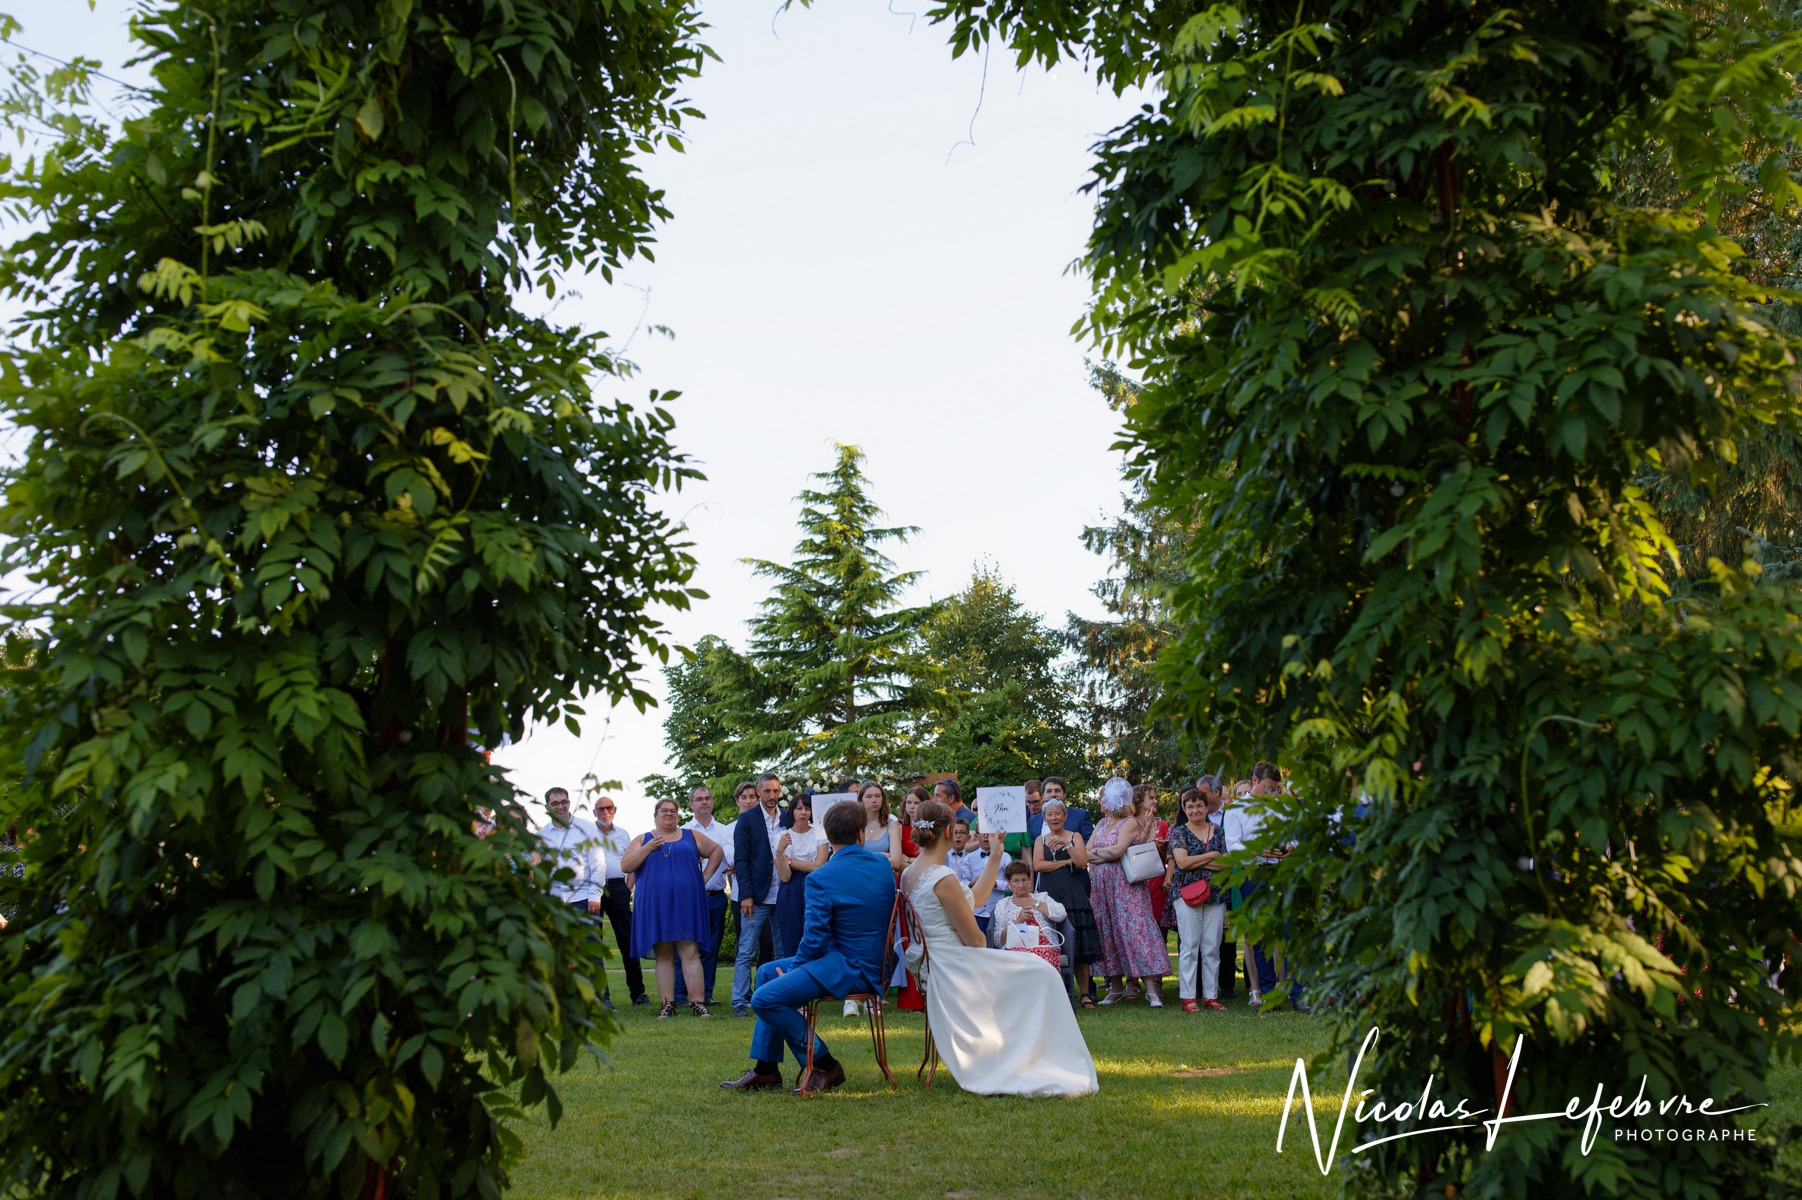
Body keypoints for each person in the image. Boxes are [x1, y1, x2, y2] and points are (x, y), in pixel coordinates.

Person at [902, 801, 1098, 1096]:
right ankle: (1035, 1054)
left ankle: (1028, 1049)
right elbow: (977, 941)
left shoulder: (911, 873)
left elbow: (975, 899)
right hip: (955, 968)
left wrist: (995, 855)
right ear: (946, 833)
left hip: (936, 964)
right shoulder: (943, 878)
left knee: (1036, 970)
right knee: (1043, 972)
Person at [719, 802, 897, 1095]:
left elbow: (814, 939)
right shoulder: (881, 864)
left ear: (828, 835)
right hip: (878, 964)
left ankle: (825, 1064)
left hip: (851, 969)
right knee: (765, 972)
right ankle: (766, 1070)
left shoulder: (820, 878)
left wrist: (798, 969)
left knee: (763, 999)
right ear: (861, 835)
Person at [536, 788, 644, 1010]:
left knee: (591, 949)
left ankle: (602, 999)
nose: (560, 807)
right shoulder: (542, 835)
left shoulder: (585, 828)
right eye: (555, 803)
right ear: (547, 807)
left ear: (569, 803)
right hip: (557, 899)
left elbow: (597, 863)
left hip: (585, 896)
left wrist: (595, 895)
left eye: (564, 802)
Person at [622, 798, 725, 1018]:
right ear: (655, 814)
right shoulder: (643, 839)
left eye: (673, 811)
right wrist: (649, 847)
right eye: (664, 811)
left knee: (689, 951)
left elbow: (717, 850)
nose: (669, 814)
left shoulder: (690, 835)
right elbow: (626, 865)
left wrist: (703, 878)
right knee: (664, 954)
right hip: (655, 904)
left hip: (687, 902)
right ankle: (667, 1004)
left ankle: (698, 1003)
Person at [1088, 777, 1169, 1007]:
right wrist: (1103, 854)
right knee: (1109, 933)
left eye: (1104, 798)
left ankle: (1151, 990)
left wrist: (1099, 854)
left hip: (1126, 886)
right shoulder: (1101, 824)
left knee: (1136, 932)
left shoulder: (1130, 822)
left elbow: (1116, 851)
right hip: (1102, 887)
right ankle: (1115, 988)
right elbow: (1086, 851)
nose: (1100, 801)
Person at [1032, 797, 1100, 1008]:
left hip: (1074, 896)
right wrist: (1064, 862)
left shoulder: (1075, 836)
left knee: (1079, 947)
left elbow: (1081, 862)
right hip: (1049, 898)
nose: (1054, 818)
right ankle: (1058, 992)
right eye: (1049, 815)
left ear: (1065, 816)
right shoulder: (1040, 841)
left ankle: (1085, 993)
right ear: (1044, 818)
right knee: (1051, 944)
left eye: (1057, 813)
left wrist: (1067, 845)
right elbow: (1038, 866)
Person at [731, 773, 789, 1016]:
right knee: (746, 949)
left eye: (775, 791)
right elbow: (741, 860)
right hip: (757, 897)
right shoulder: (747, 819)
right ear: (758, 791)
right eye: (767, 791)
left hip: (784, 894)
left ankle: (779, 996)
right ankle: (739, 1003)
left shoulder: (787, 817)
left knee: (783, 951)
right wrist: (746, 895)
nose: (772, 796)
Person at [1169, 786, 1228, 1011]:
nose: (1195, 810)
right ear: (1184, 808)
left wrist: (1197, 859)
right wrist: (1212, 855)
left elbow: (1227, 864)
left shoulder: (1219, 832)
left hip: (1215, 894)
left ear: (1206, 807)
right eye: (1190, 806)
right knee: (1190, 945)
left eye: (1199, 805)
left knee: (1212, 946)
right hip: (1186, 893)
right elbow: (1181, 863)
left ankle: (1211, 996)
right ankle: (1188, 996)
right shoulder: (1179, 832)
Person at [851, 781, 906, 1015]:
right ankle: (854, 996)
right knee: (855, 941)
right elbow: (849, 858)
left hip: (883, 889)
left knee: (881, 943)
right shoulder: (854, 825)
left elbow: (896, 861)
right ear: (861, 800)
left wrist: (866, 856)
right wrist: (881, 856)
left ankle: (876, 994)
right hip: (857, 890)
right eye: (869, 796)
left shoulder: (892, 825)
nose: (874, 800)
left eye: (878, 796)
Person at [590, 793, 651, 1007]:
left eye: (609, 808)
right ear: (594, 812)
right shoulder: (587, 833)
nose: (605, 812)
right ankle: (602, 996)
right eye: (601, 809)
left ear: (614, 810)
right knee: (594, 944)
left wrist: (627, 887)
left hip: (618, 889)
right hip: (593, 891)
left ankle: (638, 994)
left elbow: (632, 860)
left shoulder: (623, 834)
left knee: (628, 943)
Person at [677, 784, 734, 1007]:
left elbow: (732, 860)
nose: (704, 802)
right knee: (684, 947)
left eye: (708, 798)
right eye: (699, 798)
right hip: (689, 899)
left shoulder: (724, 831)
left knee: (711, 948)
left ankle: (706, 993)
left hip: (715, 896)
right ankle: (681, 995)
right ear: (691, 805)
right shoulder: (682, 832)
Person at [775, 793, 832, 956]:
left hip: (813, 885)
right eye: (799, 808)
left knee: (813, 934)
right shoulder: (782, 837)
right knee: (789, 936)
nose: (803, 813)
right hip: (789, 889)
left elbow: (819, 866)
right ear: (792, 811)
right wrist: (780, 851)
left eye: (807, 809)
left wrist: (791, 862)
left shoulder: (820, 835)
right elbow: (785, 876)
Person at [946, 818, 1008, 934]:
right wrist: (971, 883)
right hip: (976, 911)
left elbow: (1011, 884)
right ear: (976, 836)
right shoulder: (969, 858)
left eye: (988, 833)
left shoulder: (1005, 857)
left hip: (997, 909)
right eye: (982, 833)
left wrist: (995, 883)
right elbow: (962, 882)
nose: (985, 836)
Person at [987, 860, 1067, 947]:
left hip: (1044, 947)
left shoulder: (1042, 897)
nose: (1021, 885)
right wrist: (1017, 922)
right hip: (1015, 950)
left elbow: (1061, 914)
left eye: (1024, 880)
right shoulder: (1003, 905)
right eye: (1016, 881)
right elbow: (998, 941)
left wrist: (1035, 903)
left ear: (1029, 880)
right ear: (1008, 883)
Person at [1027, 776, 1094, 843]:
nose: (1053, 794)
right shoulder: (1033, 821)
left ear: (1064, 795)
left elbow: (1089, 844)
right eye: (1049, 791)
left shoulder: (1080, 816)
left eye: (1057, 791)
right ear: (1043, 796)